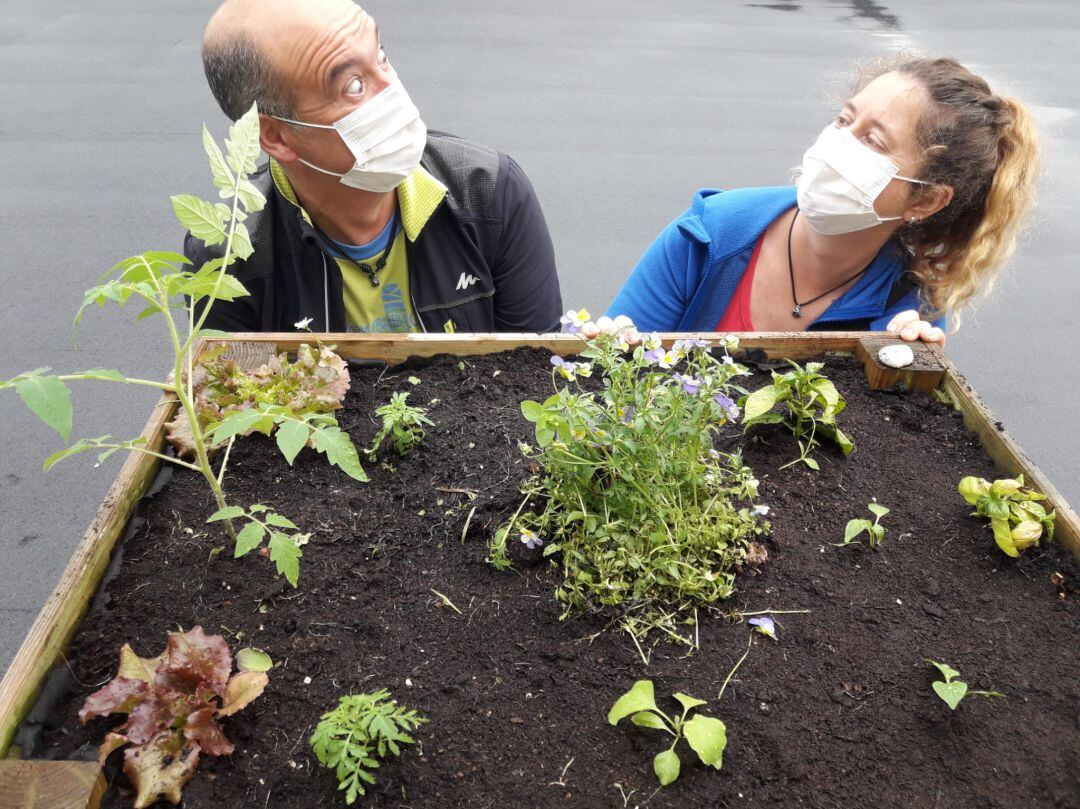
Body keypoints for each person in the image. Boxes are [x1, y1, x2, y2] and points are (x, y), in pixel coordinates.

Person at [605, 57, 1039, 345]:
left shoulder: (905, 307)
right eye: (844, 119)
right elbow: (604, 383)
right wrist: (605, 348)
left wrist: (910, 378)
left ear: (925, 200)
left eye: (873, 139)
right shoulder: (711, 233)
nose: (837, 143)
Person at [190, 0, 562, 334]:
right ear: (276, 136)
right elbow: (236, 402)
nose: (391, 90)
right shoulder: (228, 257)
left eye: (381, 56)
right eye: (354, 85)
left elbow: (538, 383)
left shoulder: (491, 195)